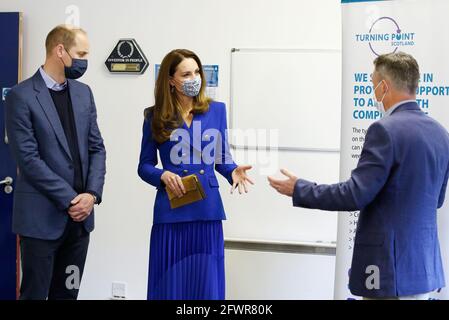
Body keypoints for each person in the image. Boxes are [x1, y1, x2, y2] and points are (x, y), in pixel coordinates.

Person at [267, 52, 449, 300]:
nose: (374, 93)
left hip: (387, 272)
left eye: (373, 85)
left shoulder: (384, 130)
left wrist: (299, 188)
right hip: (423, 271)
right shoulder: (441, 133)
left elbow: (354, 194)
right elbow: (436, 200)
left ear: (384, 86)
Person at [138, 49, 253, 300]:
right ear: (171, 80)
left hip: (207, 211)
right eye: (186, 73)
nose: (195, 78)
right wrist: (162, 176)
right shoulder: (154, 115)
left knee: (205, 287)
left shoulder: (217, 110)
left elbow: (222, 157)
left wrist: (233, 170)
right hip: (171, 211)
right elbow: (144, 165)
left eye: (197, 72)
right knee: (170, 286)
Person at [5, 25, 106, 300]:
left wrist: (92, 195)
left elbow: (97, 148)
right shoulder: (20, 96)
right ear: (60, 51)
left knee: (68, 295)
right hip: (41, 221)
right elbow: (28, 160)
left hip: (79, 225)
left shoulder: (84, 93)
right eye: (81, 53)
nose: (85, 61)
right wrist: (73, 199)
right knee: (35, 295)